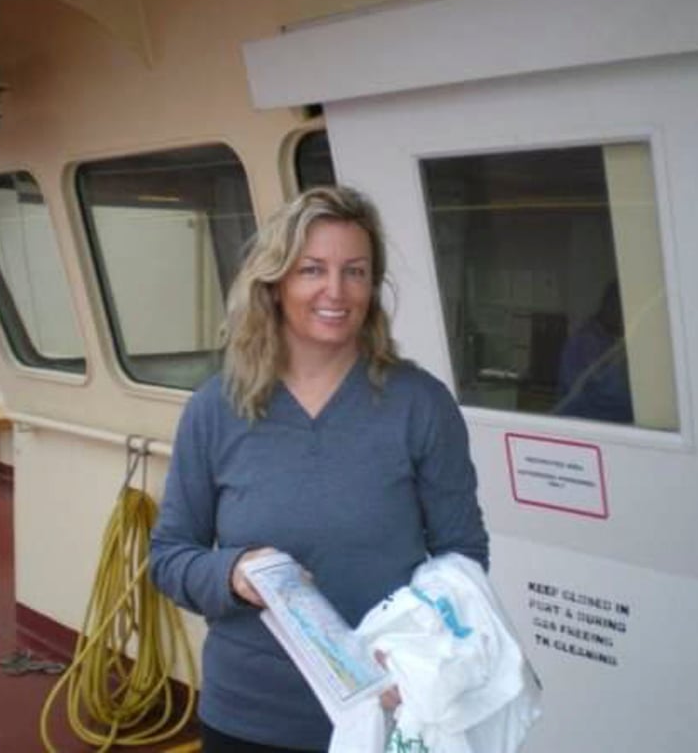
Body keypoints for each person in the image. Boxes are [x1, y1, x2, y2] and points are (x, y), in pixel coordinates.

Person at [149, 186, 489, 753]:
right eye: (313, 270)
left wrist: (419, 651)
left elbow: (462, 557)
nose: (336, 291)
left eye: (355, 271)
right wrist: (232, 573)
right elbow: (169, 557)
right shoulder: (215, 408)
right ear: (276, 283)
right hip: (248, 717)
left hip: (387, 713)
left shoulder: (420, 404)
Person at [555, 281, 634, 424]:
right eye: (622, 308)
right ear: (610, 306)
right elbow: (610, 396)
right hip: (582, 426)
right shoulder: (583, 342)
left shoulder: (614, 341)